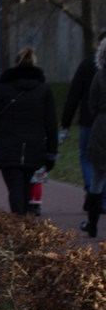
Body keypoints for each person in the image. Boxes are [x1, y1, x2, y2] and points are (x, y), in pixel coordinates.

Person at [0, 47, 58, 217]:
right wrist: (51, 154)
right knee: (24, 186)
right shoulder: (44, 90)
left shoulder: (4, 88)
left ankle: (19, 222)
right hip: (33, 148)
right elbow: (51, 124)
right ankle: (22, 223)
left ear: (15, 64)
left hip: (7, 147)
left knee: (15, 187)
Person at [61, 29, 106, 214]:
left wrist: (66, 122)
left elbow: (74, 94)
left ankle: (91, 191)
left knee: (87, 157)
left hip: (89, 121)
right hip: (98, 119)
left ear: (97, 44)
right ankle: (102, 199)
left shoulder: (87, 65)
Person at [82, 39, 106, 236]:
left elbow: (92, 104)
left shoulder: (100, 75)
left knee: (97, 178)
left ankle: (93, 224)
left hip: (101, 128)